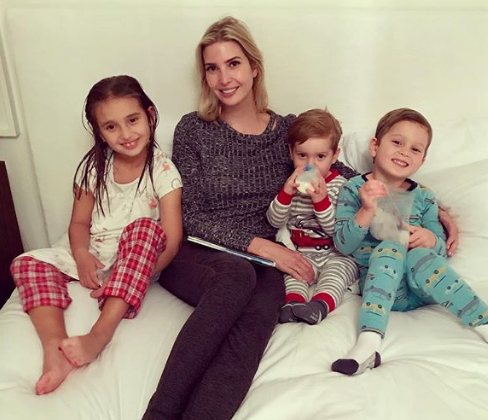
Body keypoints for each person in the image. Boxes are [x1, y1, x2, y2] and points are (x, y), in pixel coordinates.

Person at [142, 16, 357, 420]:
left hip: (264, 263)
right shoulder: (194, 130)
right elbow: (190, 216)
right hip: (199, 252)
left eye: (234, 63)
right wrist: (262, 246)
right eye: (212, 68)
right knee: (237, 276)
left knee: (259, 314)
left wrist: (425, 204)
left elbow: (344, 174)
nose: (224, 78)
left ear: (254, 67)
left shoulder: (288, 132)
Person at [9, 75, 183, 395]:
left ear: (150, 116)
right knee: (25, 263)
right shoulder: (93, 168)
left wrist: (136, 274)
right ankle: (54, 350)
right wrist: (81, 254)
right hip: (94, 253)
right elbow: (78, 224)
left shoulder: (163, 172)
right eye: (111, 127)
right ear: (100, 133)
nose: (126, 134)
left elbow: (171, 242)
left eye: (133, 120)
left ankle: (98, 335)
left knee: (146, 229)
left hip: (135, 259)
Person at [331, 108, 488, 376]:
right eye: (397, 142)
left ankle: (483, 321)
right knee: (390, 246)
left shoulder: (424, 197)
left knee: (417, 254)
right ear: (375, 146)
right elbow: (343, 244)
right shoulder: (355, 189)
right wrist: (366, 209)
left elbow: (442, 249)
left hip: (421, 289)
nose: (405, 152)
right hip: (381, 290)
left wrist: (431, 239)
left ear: (422, 160)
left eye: (415, 149)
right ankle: (369, 342)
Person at [266, 109, 358, 325]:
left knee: (337, 274)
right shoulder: (291, 184)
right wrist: (286, 194)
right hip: (303, 252)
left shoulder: (342, 186)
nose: (310, 165)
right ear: (291, 153)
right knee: (293, 273)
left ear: (334, 155)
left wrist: (321, 200)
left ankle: (319, 306)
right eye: (302, 156)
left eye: (320, 157)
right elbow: (274, 221)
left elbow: (337, 231)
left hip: (335, 253)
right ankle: (293, 305)